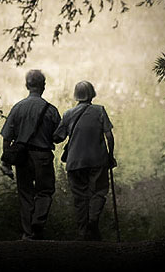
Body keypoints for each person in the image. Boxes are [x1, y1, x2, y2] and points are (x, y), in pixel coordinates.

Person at [0, 69, 62, 240]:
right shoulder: (51, 110)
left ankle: (28, 234)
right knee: (45, 191)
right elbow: (57, 137)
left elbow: (7, 137)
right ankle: (38, 222)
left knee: (25, 194)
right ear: (43, 86)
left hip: (22, 157)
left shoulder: (18, 107)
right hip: (42, 156)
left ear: (27, 85)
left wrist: (6, 160)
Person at [53, 80, 116, 241]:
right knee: (99, 192)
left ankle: (82, 233)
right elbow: (109, 136)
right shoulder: (99, 110)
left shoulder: (68, 114)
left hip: (75, 162)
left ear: (76, 96)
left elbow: (57, 137)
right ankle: (93, 220)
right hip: (98, 160)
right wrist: (110, 156)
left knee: (80, 198)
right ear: (92, 94)